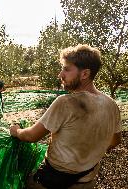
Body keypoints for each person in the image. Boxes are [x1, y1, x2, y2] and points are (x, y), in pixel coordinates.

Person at [10, 44, 122, 189]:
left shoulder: (66, 103)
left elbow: (32, 136)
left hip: (52, 183)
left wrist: (16, 131)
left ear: (85, 74)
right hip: (87, 182)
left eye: (67, 69)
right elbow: (115, 140)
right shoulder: (111, 104)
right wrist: (91, 150)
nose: (60, 75)